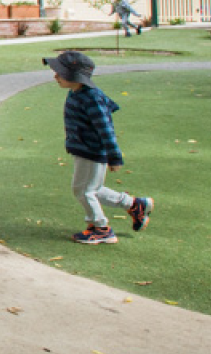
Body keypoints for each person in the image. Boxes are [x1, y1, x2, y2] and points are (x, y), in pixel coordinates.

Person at [44, 51, 153, 245]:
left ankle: (101, 228)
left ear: (74, 76)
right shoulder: (76, 92)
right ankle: (135, 205)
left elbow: (105, 128)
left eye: (59, 72)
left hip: (92, 153)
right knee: (93, 189)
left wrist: (114, 156)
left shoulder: (92, 97)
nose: (55, 76)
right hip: (83, 150)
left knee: (83, 191)